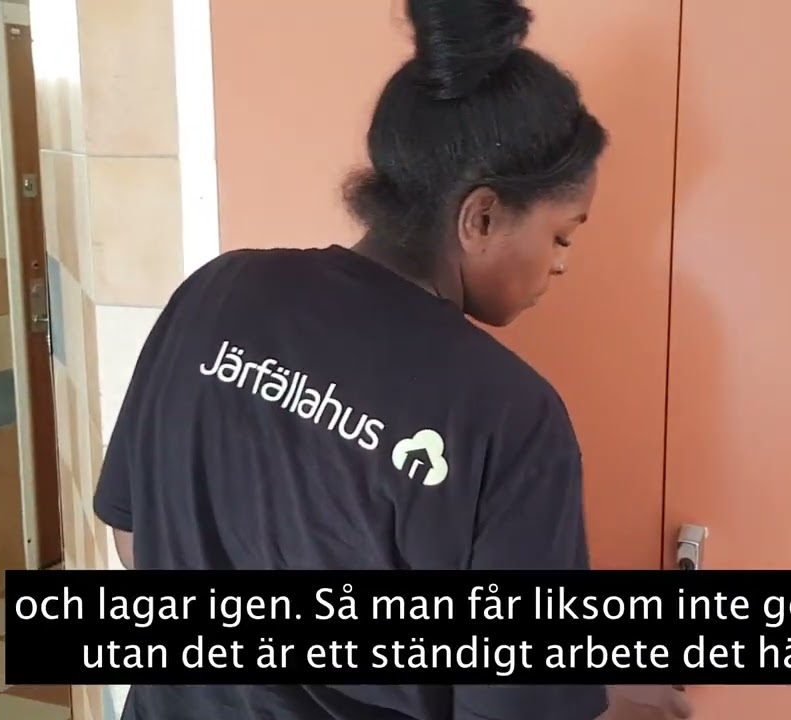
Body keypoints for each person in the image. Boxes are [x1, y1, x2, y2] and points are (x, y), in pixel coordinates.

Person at [93, 0, 691, 718]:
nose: (561, 264)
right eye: (562, 236)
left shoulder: (217, 290)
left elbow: (133, 535)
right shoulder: (508, 414)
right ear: (481, 217)